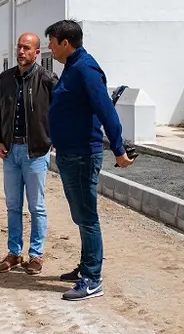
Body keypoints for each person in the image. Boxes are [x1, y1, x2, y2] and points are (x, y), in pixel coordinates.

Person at [45, 19, 134, 301]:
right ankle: (85, 267)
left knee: (88, 217)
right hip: (70, 153)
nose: (49, 47)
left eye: (52, 41)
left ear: (65, 43)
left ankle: (92, 279)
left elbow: (106, 110)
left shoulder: (85, 68)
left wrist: (118, 149)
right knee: (80, 216)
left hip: (83, 154)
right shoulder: (72, 67)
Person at [0, 33, 56, 275]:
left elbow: (60, 111)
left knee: (37, 206)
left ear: (36, 52)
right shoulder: (5, 78)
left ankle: (36, 255)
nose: (21, 52)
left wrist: (54, 138)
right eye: (18, 47)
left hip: (36, 152)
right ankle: (14, 253)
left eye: (26, 48)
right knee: (12, 205)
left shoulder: (47, 79)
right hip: (10, 152)